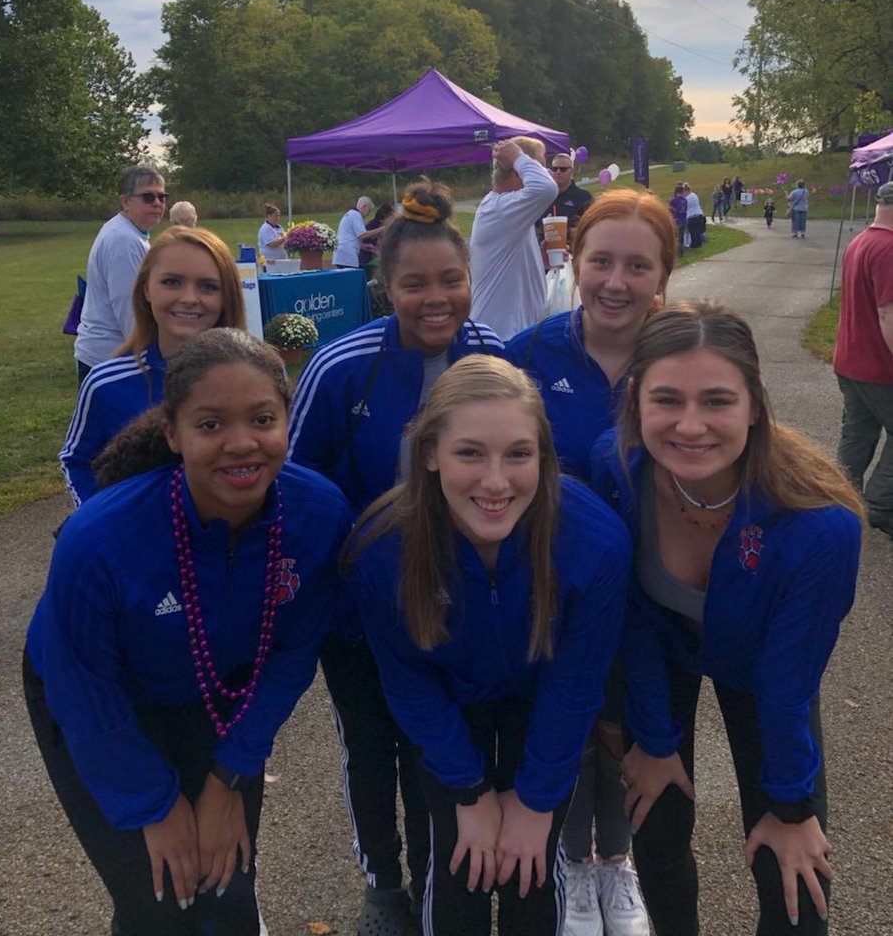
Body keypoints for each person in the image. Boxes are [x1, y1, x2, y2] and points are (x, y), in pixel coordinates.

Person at [25, 328, 351, 934]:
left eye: (262, 418)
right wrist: (154, 804)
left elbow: (290, 655)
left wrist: (229, 777)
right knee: (161, 899)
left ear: (288, 420)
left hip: (212, 690)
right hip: (97, 700)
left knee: (224, 884)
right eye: (210, 425)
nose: (241, 444)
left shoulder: (320, 515)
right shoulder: (98, 541)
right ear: (173, 434)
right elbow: (84, 690)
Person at [593, 301, 863, 935]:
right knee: (656, 832)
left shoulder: (821, 525)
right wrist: (655, 742)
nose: (690, 426)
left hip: (764, 668)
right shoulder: (618, 467)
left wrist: (792, 806)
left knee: (793, 870)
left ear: (755, 405)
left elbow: (787, 682)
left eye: (717, 400)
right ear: (635, 399)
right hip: (661, 652)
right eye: (667, 400)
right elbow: (632, 618)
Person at [347, 356, 632, 936]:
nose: (496, 482)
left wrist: (533, 803)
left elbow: (575, 687)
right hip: (451, 702)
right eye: (470, 453)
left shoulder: (595, 541)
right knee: (458, 861)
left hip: (540, 699)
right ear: (430, 454)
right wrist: (470, 793)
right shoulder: (382, 550)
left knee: (530, 866)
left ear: (545, 457)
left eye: (519, 455)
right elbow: (408, 682)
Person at [288, 181, 504, 935]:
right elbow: (298, 485)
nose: (436, 298)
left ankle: (441, 868)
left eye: (452, 280)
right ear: (386, 288)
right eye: (416, 284)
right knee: (371, 744)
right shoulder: (341, 367)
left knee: (441, 741)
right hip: (360, 613)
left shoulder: (493, 359)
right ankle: (383, 882)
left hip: (465, 607)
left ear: (471, 281)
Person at [505, 187, 676, 936]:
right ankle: (574, 863)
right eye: (600, 260)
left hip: (657, 595)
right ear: (572, 262)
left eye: (637, 265)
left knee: (634, 731)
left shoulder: (682, 352)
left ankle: (619, 864)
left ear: (663, 274)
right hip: (556, 590)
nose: (616, 281)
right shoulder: (529, 354)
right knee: (567, 726)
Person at [59, 226, 246, 507]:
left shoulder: (257, 381)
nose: (189, 298)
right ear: (146, 289)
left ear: (227, 295)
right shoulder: (107, 384)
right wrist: (100, 520)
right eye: (172, 282)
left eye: (208, 286)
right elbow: (76, 460)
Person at [833, 178, 893, 538]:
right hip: (878, 366)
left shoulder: (861, 241)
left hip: (850, 359)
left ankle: (840, 498)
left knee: (858, 434)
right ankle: (881, 505)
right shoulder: (889, 248)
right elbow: (888, 315)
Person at [74, 164, 167, 384]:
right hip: (110, 360)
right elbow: (130, 308)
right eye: (148, 197)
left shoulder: (128, 232)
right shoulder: (123, 240)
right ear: (126, 202)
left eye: (162, 197)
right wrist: (149, 362)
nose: (157, 203)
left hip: (112, 356)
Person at [470, 138, 559, 340]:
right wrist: (518, 156)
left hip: (512, 333)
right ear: (518, 170)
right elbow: (547, 189)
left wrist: (538, 262)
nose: (548, 174)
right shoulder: (500, 209)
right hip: (501, 336)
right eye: (540, 167)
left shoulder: (507, 208)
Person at [539, 152, 593, 240]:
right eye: (554, 169)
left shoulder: (583, 197)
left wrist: (568, 232)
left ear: (571, 171)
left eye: (563, 169)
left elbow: (592, 227)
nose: (558, 172)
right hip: (544, 249)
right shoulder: (544, 196)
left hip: (572, 248)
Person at [334, 196, 375, 269]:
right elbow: (362, 235)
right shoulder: (356, 215)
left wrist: (361, 246)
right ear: (365, 206)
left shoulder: (350, 214)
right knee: (351, 276)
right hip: (348, 254)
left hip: (341, 253)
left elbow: (349, 235)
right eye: (369, 210)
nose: (368, 214)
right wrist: (381, 229)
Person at [359, 202, 395, 272]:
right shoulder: (374, 226)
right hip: (365, 261)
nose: (392, 220)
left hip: (370, 258)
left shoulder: (379, 225)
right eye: (391, 217)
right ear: (385, 217)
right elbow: (366, 245)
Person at [682, 184, 705, 249]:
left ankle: (694, 245)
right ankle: (699, 244)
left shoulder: (687, 198)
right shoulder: (694, 195)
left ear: (686, 191)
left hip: (692, 216)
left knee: (693, 232)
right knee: (697, 231)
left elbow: (685, 208)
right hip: (699, 214)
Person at [667, 184, 687, 258]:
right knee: (681, 237)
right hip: (684, 220)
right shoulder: (685, 200)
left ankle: (677, 252)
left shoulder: (673, 200)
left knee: (676, 238)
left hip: (677, 221)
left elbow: (669, 209)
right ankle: (681, 252)